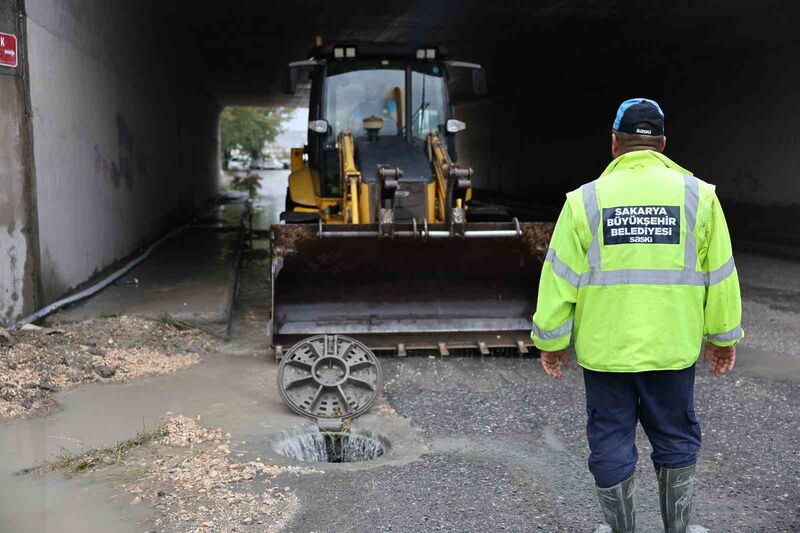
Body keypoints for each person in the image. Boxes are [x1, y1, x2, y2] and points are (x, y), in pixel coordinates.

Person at [530, 98, 743, 533]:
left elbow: (557, 279)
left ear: (613, 143)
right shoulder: (699, 197)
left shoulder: (583, 200)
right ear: (662, 144)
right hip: (672, 350)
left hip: (607, 353)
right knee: (676, 438)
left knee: (610, 440)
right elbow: (720, 277)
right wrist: (722, 338)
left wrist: (551, 343)